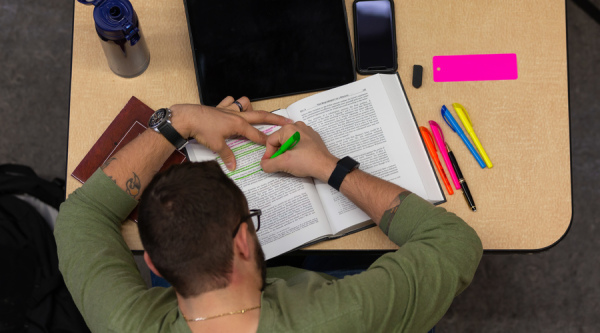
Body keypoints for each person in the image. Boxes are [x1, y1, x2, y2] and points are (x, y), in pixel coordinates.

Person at [55, 96, 483, 333]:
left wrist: (179, 122)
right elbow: (453, 243)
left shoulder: (125, 324)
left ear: (153, 264)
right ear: (243, 239)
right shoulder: (342, 317)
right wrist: (329, 167)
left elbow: (81, 216)